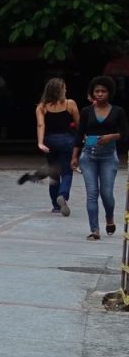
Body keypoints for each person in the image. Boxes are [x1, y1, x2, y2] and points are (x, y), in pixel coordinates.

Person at [71, 75, 129, 241]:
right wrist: (74, 156)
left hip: (108, 157)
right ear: (92, 93)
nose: (100, 94)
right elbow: (79, 134)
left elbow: (125, 134)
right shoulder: (86, 111)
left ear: (109, 93)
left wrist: (111, 136)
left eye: (103, 91)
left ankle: (109, 217)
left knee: (106, 193)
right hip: (88, 156)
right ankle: (94, 229)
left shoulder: (118, 111)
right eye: (97, 91)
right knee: (92, 193)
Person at [35, 78, 79, 215]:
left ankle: (55, 205)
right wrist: (81, 139)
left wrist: (40, 142)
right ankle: (63, 195)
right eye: (64, 88)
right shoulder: (70, 104)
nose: (66, 90)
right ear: (60, 91)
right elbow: (79, 123)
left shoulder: (41, 107)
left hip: (50, 141)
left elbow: (41, 125)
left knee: (54, 173)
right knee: (67, 172)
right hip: (67, 140)